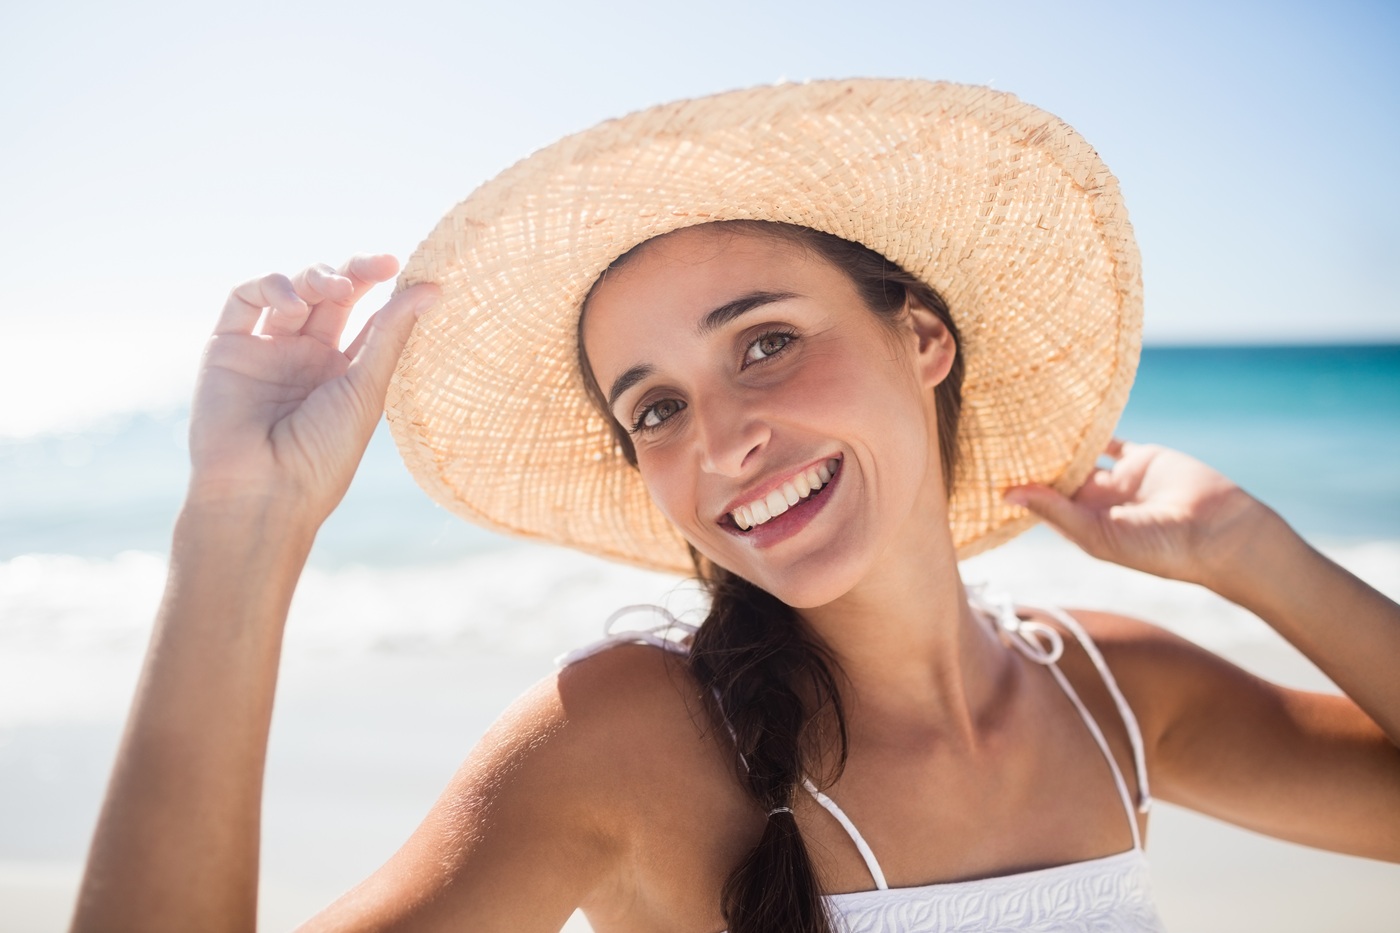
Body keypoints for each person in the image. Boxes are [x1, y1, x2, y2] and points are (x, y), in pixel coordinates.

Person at [72, 80, 1399, 933]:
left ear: (923, 337)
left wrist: (1253, 556)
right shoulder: (620, 739)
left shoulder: (1116, 694)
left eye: (763, 342)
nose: (723, 439)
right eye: (653, 408)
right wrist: (242, 527)